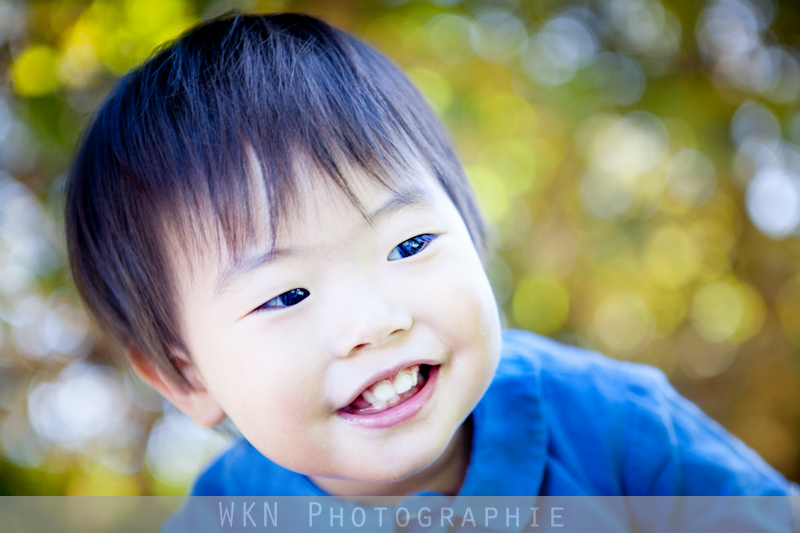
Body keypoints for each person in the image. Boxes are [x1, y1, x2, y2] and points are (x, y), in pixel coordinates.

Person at [64, 11, 794, 507]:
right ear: (184, 374)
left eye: (409, 244)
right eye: (285, 295)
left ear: (474, 233)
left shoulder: (615, 427)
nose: (376, 321)